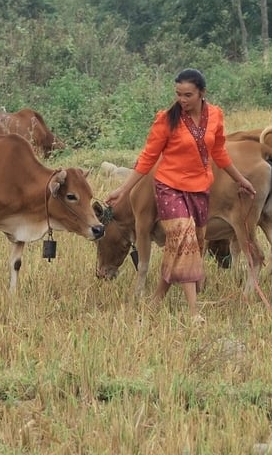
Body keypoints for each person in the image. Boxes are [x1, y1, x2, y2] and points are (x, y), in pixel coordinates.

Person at [106, 68, 255, 319]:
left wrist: (241, 180)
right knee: (185, 242)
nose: (182, 100)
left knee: (185, 247)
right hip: (169, 188)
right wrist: (123, 189)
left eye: (188, 95)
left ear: (202, 93)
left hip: (199, 190)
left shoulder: (216, 116)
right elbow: (147, 158)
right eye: (178, 94)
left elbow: (219, 153)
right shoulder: (166, 119)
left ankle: (156, 299)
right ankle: (194, 312)